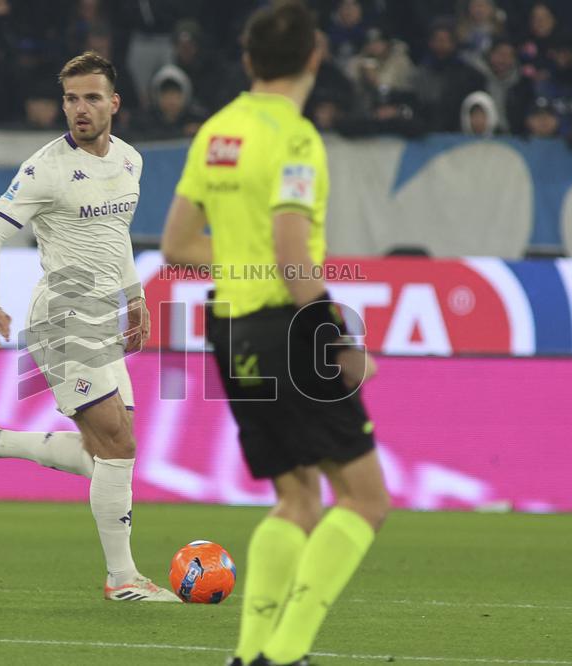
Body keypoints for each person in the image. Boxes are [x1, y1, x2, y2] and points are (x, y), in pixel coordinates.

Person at [161, 3, 390, 665]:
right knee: (365, 498)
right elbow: (292, 256)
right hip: (289, 330)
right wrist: (337, 340)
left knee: (296, 498)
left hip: (229, 331)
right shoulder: (295, 139)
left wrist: (243, 263)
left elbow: (177, 245)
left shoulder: (216, 131)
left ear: (247, 59)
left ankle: (250, 653)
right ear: (315, 56)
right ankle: (285, 654)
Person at [0, 51, 177, 603]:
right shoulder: (45, 170)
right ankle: (123, 579)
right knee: (118, 446)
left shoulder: (130, 161)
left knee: (106, 452)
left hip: (103, 318)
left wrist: (136, 297)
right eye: (71, 99)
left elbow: (116, 238)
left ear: (114, 103)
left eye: (91, 98)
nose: (80, 109)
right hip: (62, 318)